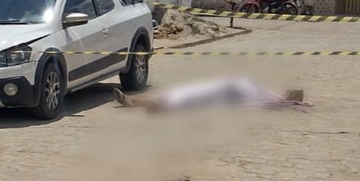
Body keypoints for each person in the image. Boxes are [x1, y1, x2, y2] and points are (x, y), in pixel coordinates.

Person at [112, 78, 308, 113]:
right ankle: (135, 103)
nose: (288, 92)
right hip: (220, 89)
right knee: (181, 95)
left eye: (292, 94)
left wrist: (296, 103)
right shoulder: (271, 94)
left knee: (182, 101)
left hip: (222, 96)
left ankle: (133, 103)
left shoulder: (274, 99)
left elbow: (279, 103)